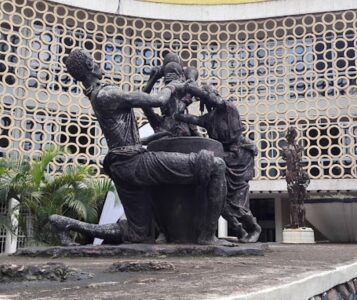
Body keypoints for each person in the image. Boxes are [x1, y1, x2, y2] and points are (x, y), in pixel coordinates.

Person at [49, 49, 227, 245]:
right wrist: (174, 86)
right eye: (95, 61)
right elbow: (157, 101)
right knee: (216, 165)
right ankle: (208, 236)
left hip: (121, 166)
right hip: (134, 162)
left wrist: (152, 85)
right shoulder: (108, 93)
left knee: (138, 234)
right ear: (91, 65)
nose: (99, 65)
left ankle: (66, 224)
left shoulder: (97, 95)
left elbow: (134, 117)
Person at [175, 84, 262, 243]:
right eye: (206, 97)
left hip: (240, 155)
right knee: (219, 198)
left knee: (237, 200)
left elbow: (217, 101)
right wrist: (187, 99)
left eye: (210, 95)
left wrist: (190, 86)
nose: (209, 99)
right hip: (224, 157)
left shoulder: (229, 107)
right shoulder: (208, 119)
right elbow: (179, 115)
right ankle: (239, 230)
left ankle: (254, 228)